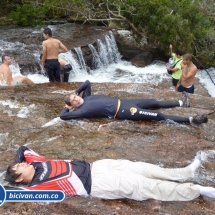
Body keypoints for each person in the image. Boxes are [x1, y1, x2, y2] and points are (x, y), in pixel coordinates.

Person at [4, 146, 215, 201]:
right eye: (19, 168)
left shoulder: (36, 161)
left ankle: (184, 172)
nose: (22, 163)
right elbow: (9, 194)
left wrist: (16, 164)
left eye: (19, 164)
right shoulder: (35, 188)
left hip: (98, 165)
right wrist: (15, 183)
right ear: (20, 178)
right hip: (96, 185)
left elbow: (23, 148)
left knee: (145, 168)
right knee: (143, 186)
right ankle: (196, 190)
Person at [59, 80, 208, 125]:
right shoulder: (82, 111)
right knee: (157, 115)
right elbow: (63, 117)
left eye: (74, 97)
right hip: (123, 111)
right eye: (73, 101)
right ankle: (190, 120)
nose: (76, 99)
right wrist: (66, 108)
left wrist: (76, 92)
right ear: (73, 105)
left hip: (125, 102)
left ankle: (180, 103)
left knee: (153, 101)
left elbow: (87, 83)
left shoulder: (86, 97)